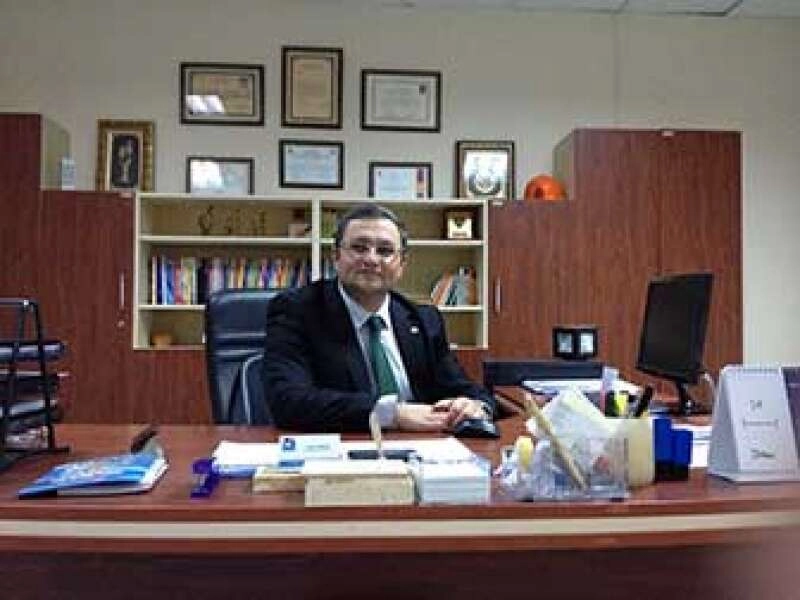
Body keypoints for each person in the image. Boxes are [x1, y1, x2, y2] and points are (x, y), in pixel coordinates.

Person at [263, 203, 495, 432]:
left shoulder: (423, 319)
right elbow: (288, 401)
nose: (372, 259)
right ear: (336, 256)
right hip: (342, 447)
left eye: (385, 251)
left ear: (402, 264)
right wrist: (391, 414)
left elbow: (463, 388)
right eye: (359, 248)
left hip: (423, 447)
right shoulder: (297, 311)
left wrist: (474, 406)